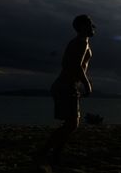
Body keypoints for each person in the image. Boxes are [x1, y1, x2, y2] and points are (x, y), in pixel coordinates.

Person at [36, 15, 95, 169]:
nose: (93, 27)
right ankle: (45, 153)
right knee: (71, 123)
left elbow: (68, 63)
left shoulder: (81, 43)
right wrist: (87, 84)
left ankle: (53, 154)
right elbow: (75, 65)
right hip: (65, 85)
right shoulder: (81, 42)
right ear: (82, 27)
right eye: (89, 24)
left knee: (71, 123)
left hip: (68, 86)